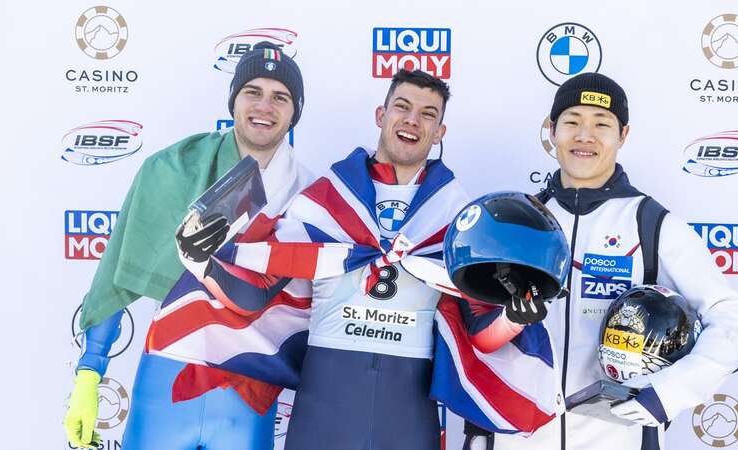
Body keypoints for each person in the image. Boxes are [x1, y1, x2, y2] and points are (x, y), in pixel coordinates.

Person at [176, 69, 471, 450]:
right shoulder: (327, 198)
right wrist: (205, 264)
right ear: (380, 115)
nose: (412, 120)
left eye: (428, 114)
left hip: (408, 399)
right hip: (328, 393)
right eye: (402, 106)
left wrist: (513, 316)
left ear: (440, 132)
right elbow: (258, 286)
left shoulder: (455, 211)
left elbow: (480, 320)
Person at [461, 72, 738, 450]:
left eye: (601, 124)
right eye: (571, 122)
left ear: (623, 135)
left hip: (618, 435)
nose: (585, 136)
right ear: (551, 130)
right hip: (521, 436)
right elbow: (477, 329)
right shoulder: (520, 221)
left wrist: (667, 394)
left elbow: (730, 321)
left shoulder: (651, 224)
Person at [63, 41, 314, 450]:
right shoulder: (172, 169)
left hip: (248, 390)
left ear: (294, 112)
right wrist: (89, 375)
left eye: (280, 97)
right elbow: (115, 276)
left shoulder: (310, 198)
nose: (264, 106)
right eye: (253, 91)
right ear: (234, 100)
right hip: (169, 377)